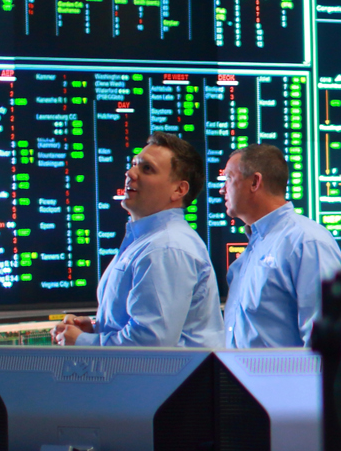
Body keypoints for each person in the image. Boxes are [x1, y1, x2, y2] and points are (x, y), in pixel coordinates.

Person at [53, 131, 220, 348]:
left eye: (147, 168)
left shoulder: (166, 247)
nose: (130, 173)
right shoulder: (146, 241)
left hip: (170, 372)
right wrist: (96, 329)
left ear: (179, 189)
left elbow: (150, 344)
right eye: (134, 164)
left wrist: (82, 341)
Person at [219, 142, 341, 349]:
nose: (222, 189)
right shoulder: (255, 246)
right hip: (238, 371)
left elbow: (325, 342)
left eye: (229, 178)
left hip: (284, 372)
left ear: (255, 182)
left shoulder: (307, 241)